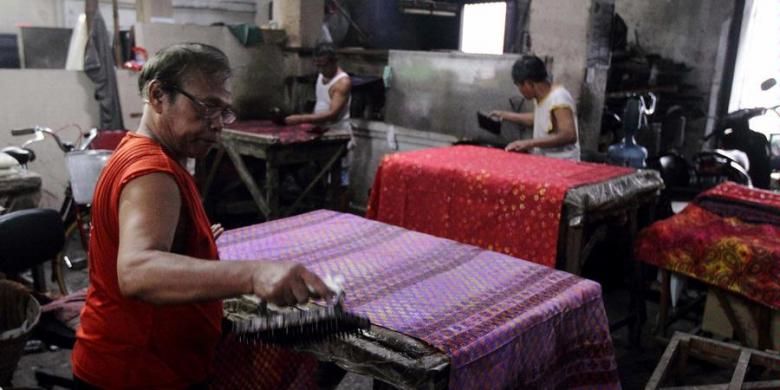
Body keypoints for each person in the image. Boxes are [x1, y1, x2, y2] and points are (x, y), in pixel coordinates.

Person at [72, 43, 333, 389]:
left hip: (134, 362)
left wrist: (192, 242)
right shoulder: (152, 170)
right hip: (137, 373)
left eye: (224, 112)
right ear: (158, 95)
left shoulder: (135, 152)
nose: (217, 125)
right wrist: (254, 275)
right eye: (207, 107)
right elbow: (137, 271)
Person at [490, 55, 581, 160]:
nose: (520, 90)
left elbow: (569, 135)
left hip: (563, 163)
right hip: (545, 159)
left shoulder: (559, 97)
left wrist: (529, 143)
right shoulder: (540, 97)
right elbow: (538, 119)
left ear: (529, 83)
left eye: (520, 86)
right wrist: (504, 115)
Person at [284, 42, 352, 130]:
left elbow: (333, 115)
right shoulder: (321, 75)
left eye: (324, 66)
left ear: (334, 62)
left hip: (338, 132)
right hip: (321, 129)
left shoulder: (342, 82)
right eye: (318, 66)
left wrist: (301, 119)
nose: (321, 70)